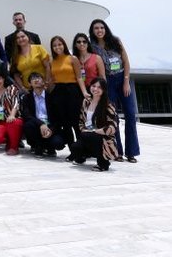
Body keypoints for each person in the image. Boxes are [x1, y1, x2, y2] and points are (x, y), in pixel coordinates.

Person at [89, 19, 139, 163]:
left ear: (106, 29)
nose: (99, 30)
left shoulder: (116, 41)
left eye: (101, 27)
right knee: (112, 117)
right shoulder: (93, 47)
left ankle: (131, 152)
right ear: (92, 31)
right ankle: (117, 151)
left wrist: (126, 81)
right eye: (96, 28)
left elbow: (126, 61)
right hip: (107, 82)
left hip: (122, 79)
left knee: (130, 115)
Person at [67, 77, 119, 172]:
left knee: (93, 137)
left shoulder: (108, 105)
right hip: (87, 135)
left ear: (104, 90)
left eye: (99, 87)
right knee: (75, 147)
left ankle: (103, 164)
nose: (95, 89)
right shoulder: (86, 101)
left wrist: (95, 131)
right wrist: (84, 130)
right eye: (94, 86)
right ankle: (82, 157)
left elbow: (113, 127)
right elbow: (81, 121)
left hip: (103, 138)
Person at [50, 36, 89, 144]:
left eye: (59, 44)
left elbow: (79, 77)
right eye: (54, 45)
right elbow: (51, 80)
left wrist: (84, 92)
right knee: (65, 123)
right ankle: (72, 151)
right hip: (58, 91)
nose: (57, 47)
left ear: (64, 45)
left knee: (76, 122)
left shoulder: (72, 58)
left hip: (72, 90)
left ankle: (81, 150)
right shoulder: (52, 61)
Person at [21, 72, 67, 157]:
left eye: (38, 77)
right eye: (33, 78)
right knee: (28, 125)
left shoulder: (52, 97)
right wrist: (41, 124)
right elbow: (27, 115)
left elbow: (58, 119)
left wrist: (51, 130)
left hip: (50, 127)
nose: (36, 80)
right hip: (36, 126)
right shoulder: (27, 98)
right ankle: (38, 146)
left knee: (58, 143)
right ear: (29, 83)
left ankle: (49, 147)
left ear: (43, 81)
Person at [0, 71, 23, 155]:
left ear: (3, 78)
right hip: (0, 122)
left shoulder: (12, 89)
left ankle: (14, 147)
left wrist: (12, 115)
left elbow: (16, 103)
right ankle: (9, 139)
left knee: (14, 122)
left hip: (13, 120)